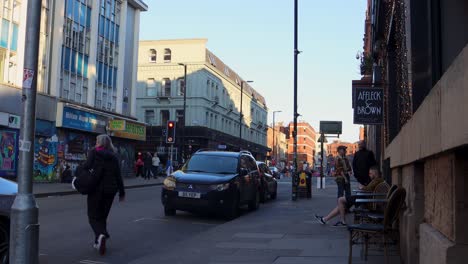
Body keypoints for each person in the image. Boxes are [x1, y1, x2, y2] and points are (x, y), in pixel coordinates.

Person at [81, 134, 125, 255]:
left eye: (96, 141)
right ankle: (98, 241)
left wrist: (80, 174)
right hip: (110, 191)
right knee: (102, 216)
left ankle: (101, 235)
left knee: (93, 216)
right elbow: (118, 175)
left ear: (99, 142)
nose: (95, 142)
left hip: (96, 189)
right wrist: (122, 192)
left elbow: (86, 166)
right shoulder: (114, 156)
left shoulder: (94, 152)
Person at [315, 165, 384, 227]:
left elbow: (367, 189)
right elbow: (369, 189)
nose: (369, 175)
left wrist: (362, 187)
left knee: (340, 200)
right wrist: (363, 187)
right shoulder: (377, 180)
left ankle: (342, 221)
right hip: (365, 198)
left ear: (375, 173)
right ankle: (325, 219)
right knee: (342, 205)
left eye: (370, 173)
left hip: (364, 199)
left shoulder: (376, 181)